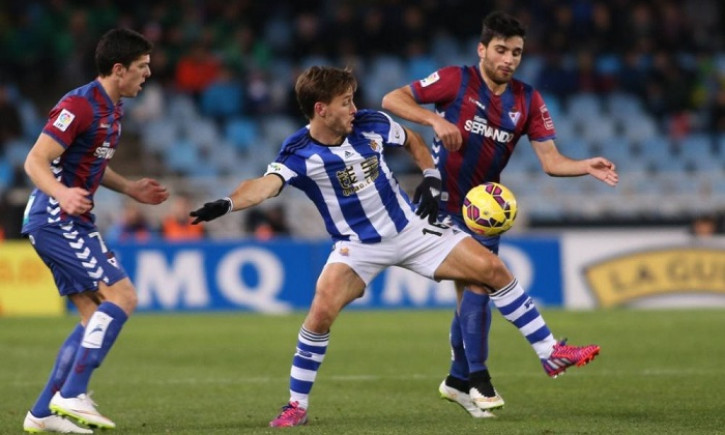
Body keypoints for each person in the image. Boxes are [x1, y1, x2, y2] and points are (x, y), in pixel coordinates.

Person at [189, 65, 601, 428]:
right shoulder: (300, 152)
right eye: (346, 103)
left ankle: (551, 352)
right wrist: (227, 203)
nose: (354, 108)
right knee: (319, 313)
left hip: (411, 230)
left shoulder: (370, 123)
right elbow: (264, 186)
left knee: (493, 270)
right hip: (357, 247)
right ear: (321, 110)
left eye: (353, 100)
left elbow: (413, 142)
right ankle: (297, 405)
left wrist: (431, 176)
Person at [382, 11, 619, 418]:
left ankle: (459, 380)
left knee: (475, 291)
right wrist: (434, 119)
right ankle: (481, 378)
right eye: (501, 50)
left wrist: (584, 166)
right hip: (442, 206)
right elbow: (392, 99)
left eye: (517, 52)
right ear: (482, 49)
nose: (509, 59)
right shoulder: (455, 80)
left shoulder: (528, 99)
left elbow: (550, 160)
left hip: (482, 212)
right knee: (478, 285)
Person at [21, 28, 169, 433]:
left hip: (70, 219)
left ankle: (43, 413)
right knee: (122, 296)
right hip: (56, 217)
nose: (147, 74)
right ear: (118, 69)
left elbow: (92, 164)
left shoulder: (113, 108)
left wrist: (130, 188)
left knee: (92, 316)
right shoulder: (79, 105)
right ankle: (72, 394)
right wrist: (62, 194)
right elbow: (34, 161)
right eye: (142, 67)